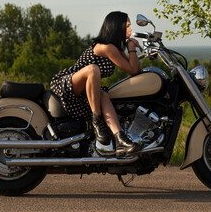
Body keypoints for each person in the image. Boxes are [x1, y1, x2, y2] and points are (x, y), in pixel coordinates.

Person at [50, 11, 142, 156]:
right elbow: (132, 69)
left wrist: (131, 48)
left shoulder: (116, 48)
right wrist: (131, 48)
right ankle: (97, 122)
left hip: (88, 90)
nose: (131, 30)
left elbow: (135, 71)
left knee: (104, 95)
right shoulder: (106, 47)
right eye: (128, 26)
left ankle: (120, 139)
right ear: (117, 27)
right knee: (93, 69)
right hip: (69, 82)